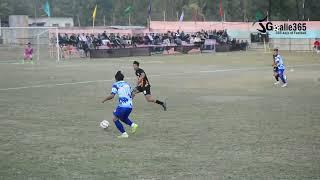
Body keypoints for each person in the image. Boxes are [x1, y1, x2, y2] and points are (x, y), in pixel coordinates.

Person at [102, 71, 138, 138]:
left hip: (123, 106)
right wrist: (129, 100)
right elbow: (133, 94)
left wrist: (104, 100)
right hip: (130, 106)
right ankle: (133, 125)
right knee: (123, 118)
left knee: (115, 119)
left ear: (116, 79)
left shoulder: (115, 85)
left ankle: (124, 134)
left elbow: (112, 96)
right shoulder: (127, 84)